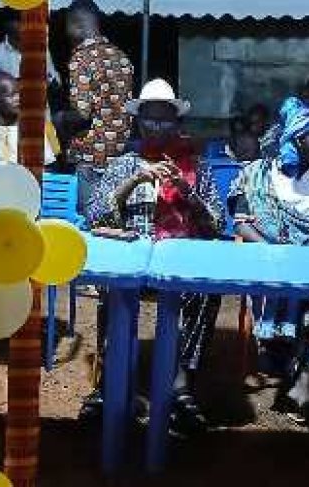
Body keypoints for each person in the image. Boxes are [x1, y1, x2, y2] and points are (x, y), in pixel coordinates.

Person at [85, 78, 223, 434]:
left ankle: (181, 387)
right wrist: (135, 181)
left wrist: (186, 192)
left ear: (177, 124)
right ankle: (110, 386)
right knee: (113, 289)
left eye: (164, 120)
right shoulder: (124, 163)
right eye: (149, 118)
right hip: (133, 260)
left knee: (207, 291)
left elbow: (215, 225)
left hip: (181, 265)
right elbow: (96, 216)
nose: (156, 126)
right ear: (139, 121)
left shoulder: (197, 167)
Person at [229, 96, 309, 427]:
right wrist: (273, 250)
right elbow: (241, 221)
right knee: (284, 305)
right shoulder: (258, 173)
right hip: (271, 257)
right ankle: (285, 364)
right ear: (297, 137)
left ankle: (304, 386)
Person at [65, 0, 134, 211]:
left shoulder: (81, 58)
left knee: (90, 218)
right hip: (118, 155)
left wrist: (59, 118)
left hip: (90, 156)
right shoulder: (121, 57)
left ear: (75, 23)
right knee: (112, 216)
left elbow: (82, 113)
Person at [0, 16, 61, 111]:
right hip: (10, 114)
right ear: (7, 29)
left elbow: (56, 81)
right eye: (17, 37)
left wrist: (49, 78)